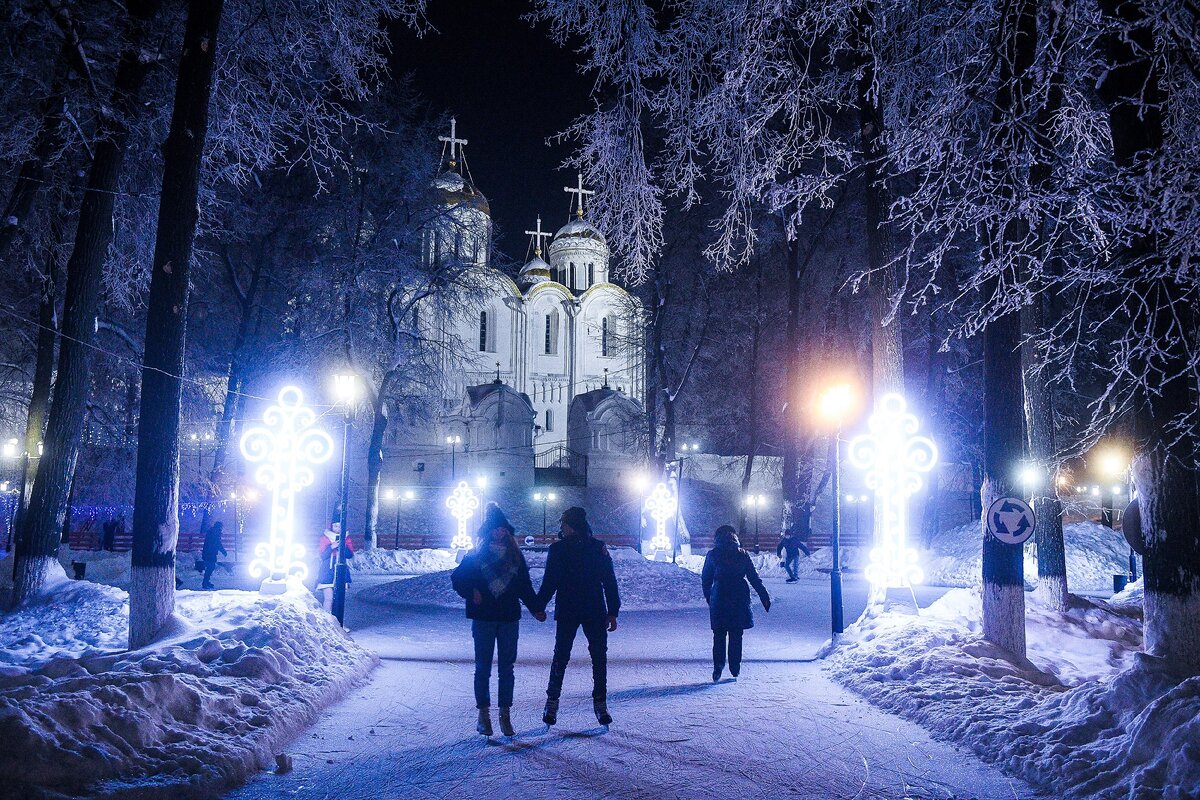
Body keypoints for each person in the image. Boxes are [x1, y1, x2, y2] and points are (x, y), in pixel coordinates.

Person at [451, 504, 546, 737]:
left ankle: (505, 715)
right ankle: (483, 715)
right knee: (482, 667)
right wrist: (471, 591)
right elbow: (457, 578)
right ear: (488, 532)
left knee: (506, 668)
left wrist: (536, 608)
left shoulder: (515, 557)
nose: (499, 533)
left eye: (503, 530)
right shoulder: (475, 556)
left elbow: (525, 586)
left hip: (508, 618)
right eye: (495, 529)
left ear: (507, 532)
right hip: (483, 617)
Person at [535, 506, 620, 727]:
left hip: (593, 610)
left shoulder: (597, 548)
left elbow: (609, 581)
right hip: (569, 610)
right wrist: (539, 605)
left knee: (599, 657)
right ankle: (551, 702)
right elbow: (550, 581)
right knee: (561, 656)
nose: (561, 527)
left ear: (573, 526)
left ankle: (600, 703)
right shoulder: (558, 549)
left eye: (564, 524)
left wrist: (612, 611)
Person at [703, 525, 771, 682]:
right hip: (739, 596)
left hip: (719, 595)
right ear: (735, 538)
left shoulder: (713, 555)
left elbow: (706, 579)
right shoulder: (742, 554)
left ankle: (718, 667)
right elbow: (753, 577)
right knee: (736, 634)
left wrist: (710, 597)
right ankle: (735, 666)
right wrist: (764, 595)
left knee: (719, 634)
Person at [316, 522, 354, 612]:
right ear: (331, 526)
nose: (338, 528)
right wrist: (331, 547)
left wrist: (342, 546)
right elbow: (323, 556)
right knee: (328, 599)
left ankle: (336, 621)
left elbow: (349, 555)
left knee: (339, 600)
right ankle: (327, 620)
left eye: (340, 526)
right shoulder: (325, 538)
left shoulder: (346, 538)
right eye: (335, 526)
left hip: (341, 571)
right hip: (327, 572)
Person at [201, 521, 227, 590]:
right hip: (210, 553)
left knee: (210, 567)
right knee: (210, 567)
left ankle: (206, 582)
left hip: (208, 552)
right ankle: (205, 583)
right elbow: (217, 543)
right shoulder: (215, 533)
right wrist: (223, 551)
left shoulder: (212, 531)